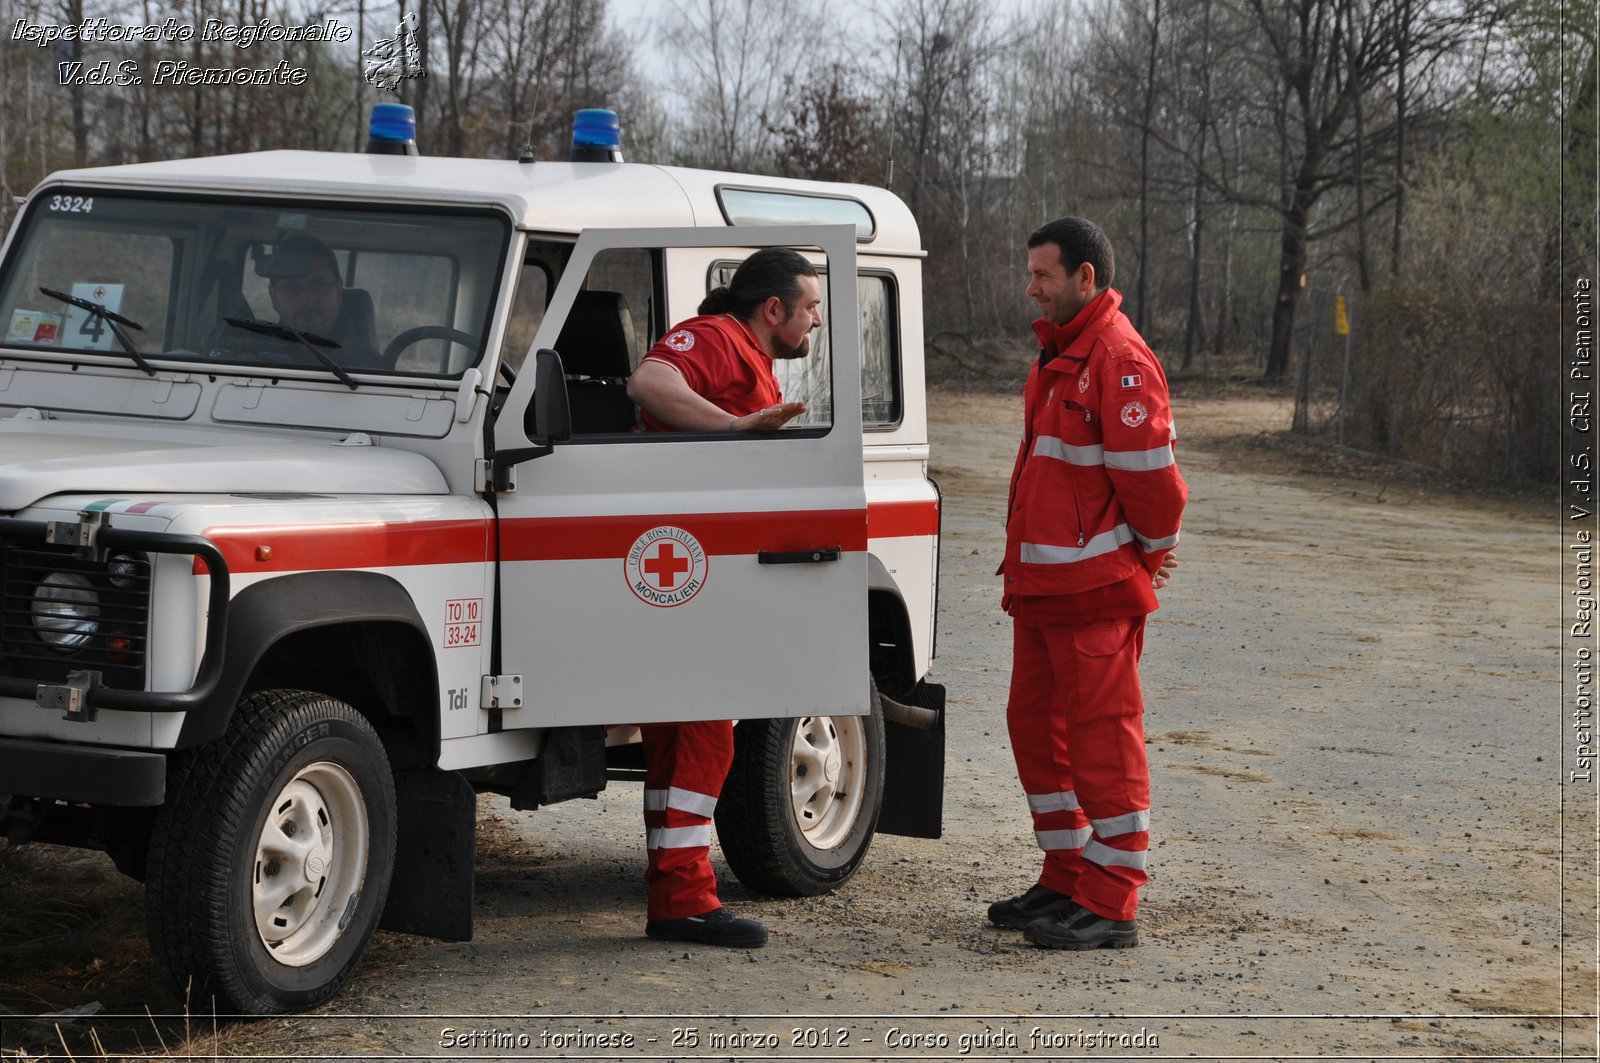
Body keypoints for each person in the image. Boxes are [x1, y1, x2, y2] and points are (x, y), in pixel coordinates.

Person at [988, 217, 1187, 950]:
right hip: (1042, 589)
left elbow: (1157, 494)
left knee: (1103, 740)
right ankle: (1068, 871)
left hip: (1095, 592)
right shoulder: (1058, 353)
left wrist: (1144, 561)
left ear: (1086, 280)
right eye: (1031, 272)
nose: (1030, 286)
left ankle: (1111, 897)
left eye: (1042, 275)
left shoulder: (1119, 358)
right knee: (1035, 729)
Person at [623, 247, 823, 948]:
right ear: (774, 310)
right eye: (811, 307)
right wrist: (736, 428)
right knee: (703, 737)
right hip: (697, 575)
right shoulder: (714, 340)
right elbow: (648, 383)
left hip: (705, 571)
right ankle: (684, 898)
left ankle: (673, 888)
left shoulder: (749, 353)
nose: (818, 320)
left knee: (679, 740)